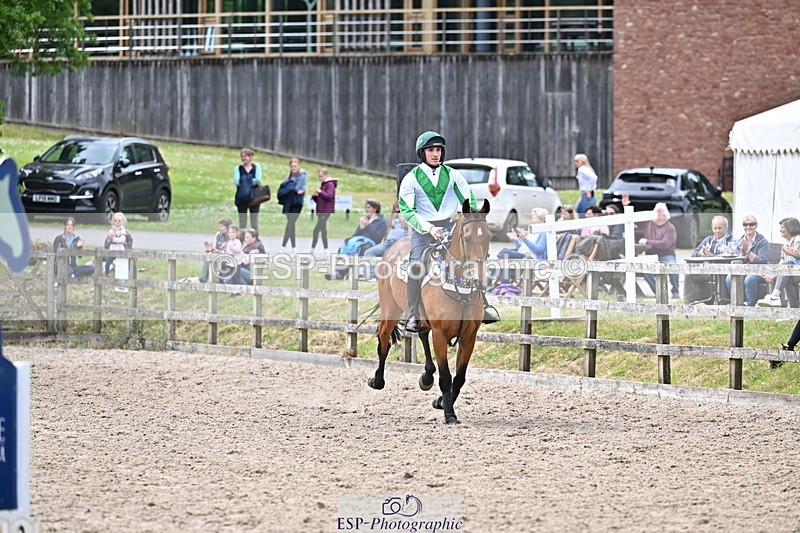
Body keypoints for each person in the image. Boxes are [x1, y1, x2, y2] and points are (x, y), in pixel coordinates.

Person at [398, 131, 499, 332]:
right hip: (423, 229)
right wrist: (429, 228)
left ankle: (483, 304)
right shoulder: (411, 179)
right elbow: (407, 210)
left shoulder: (453, 175)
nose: (435, 154)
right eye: (430, 150)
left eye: (438, 150)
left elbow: (467, 200)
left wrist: (474, 217)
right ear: (422, 153)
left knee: (473, 256)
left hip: (450, 226)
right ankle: (412, 314)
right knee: (416, 264)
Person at [325, 199, 387, 280]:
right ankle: (339, 272)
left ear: (375, 209)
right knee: (343, 247)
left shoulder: (381, 222)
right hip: (359, 241)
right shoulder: (365, 219)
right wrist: (361, 228)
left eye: (368, 207)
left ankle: (346, 272)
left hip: (371, 243)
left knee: (361, 248)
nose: (366, 209)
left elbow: (378, 237)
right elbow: (356, 235)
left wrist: (368, 226)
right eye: (366, 207)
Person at [683, 215, 735, 304]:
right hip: (707, 271)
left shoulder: (731, 241)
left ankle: (721, 303)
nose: (717, 231)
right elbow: (693, 255)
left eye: (720, 228)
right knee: (689, 275)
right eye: (715, 228)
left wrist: (711, 256)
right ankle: (688, 304)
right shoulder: (708, 240)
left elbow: (730, 258)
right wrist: (700, 253)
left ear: (726, 228)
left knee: (720, 275)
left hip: (723, 271)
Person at [723, 215, 769, 306]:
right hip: (743, 270)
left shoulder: (762, 242)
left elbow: (762, 261)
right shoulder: (739, 241)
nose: (748, 227)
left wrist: (748, 251)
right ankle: (736, 304)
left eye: (751, 224)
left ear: (756, 226)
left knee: (750, 279)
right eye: (745, 224)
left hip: (758, 272)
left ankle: (750, 306)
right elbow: (736, 261)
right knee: (729, 278)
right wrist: (741, 254)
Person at [638, 202, 679, 300]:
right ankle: (658, 291)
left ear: (664, 214)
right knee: (645, 268)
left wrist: (648, 241)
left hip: (667, 254)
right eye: (656, 211)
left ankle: (676, 290)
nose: (657, 213)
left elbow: (665, 244)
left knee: (672, 266)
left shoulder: (670, 228)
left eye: (659, 212)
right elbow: (633, 220)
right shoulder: (648, 224)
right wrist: (626, 206)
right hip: (651, 254)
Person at [756, 217, 800, 308]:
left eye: (782, 227)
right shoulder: (786, 243)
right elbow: (782, 262)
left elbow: (797, 254)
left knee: (787, 266)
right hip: (793, 274)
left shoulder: (798, 239)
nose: (780, 230)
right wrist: (772, 275)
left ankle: (775, 296)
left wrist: (793, 252)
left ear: (790, 228)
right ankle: (792, 310)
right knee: (788, 277)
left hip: (798, 271)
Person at [361, 201, 408, 280]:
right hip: (388, 242)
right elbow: (389, 224)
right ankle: (370, 276)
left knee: (387, 255)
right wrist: (392, 212)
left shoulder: (407, 220)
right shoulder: (396, 221)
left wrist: (399, 212)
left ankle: (379, 276)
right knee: (368, 252)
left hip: (398, 244)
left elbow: (404, 224)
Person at [277, 158, 306, 254]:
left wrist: (292, 189)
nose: (293, 168)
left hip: (297, 203)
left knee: (290, 224)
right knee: (291, 225)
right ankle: (294, 248)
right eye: (292, 166)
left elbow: (297, 187)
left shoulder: (302, 175)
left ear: (299, 166)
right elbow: (284, 186)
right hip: (289, 203)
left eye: (295, 166)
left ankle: (283, 246)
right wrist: (292, 189)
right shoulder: (289, 176)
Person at [233, 148, 262, 232]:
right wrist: (250, 179)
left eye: (245, 156)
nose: (243, 158)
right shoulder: (238, 168)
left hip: (254, 197)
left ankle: (255, 241)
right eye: (242, 157)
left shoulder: (257, 167)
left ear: (250, 157)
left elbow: (257, 180)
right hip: (242, 197)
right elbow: (237, 181)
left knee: (254, 222)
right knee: (242, 222)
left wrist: (244, 180)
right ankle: (241, 241)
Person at [310, 168, 337, 257]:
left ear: (326, 175)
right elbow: (321, 200)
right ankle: (323, 250)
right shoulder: (324, 184)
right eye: (319, 177)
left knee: (317, 230)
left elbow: (329, 196)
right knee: (321, 230)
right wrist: (314, 196)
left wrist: (320, 192)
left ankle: (318, 249)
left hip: (326, 211)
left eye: (321, 176)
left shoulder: (330, 184)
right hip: (321, 210)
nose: (320, 178)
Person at [199, 216, 232, 283]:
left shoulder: (232, 235)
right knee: (209, 258)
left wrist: (221, 250)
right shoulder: (218, 235)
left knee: (215, 260)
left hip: (229, 259)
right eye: (219, 226)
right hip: (219, 256)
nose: (218, 228)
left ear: (227, 228)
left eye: (221, 226)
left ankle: (215, 280)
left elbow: (231, 252)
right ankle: (202, 279)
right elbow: (216, 248)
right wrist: (211, 249)